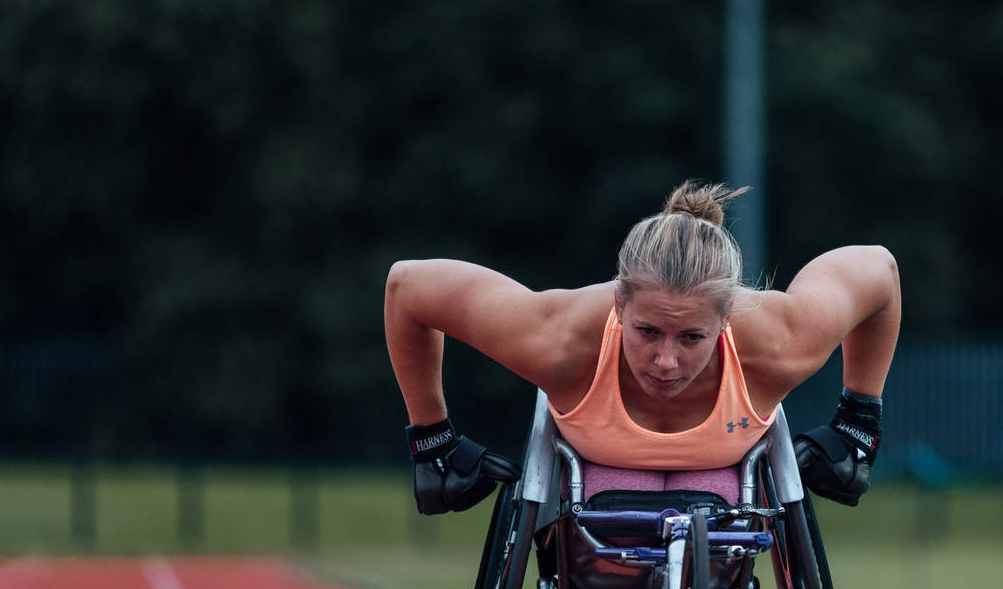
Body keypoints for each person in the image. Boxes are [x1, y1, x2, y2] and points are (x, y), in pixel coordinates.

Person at [384, 181, 900, 515]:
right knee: (614, 575)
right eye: (647, 331)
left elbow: (880, 269)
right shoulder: (558, 339)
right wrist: (434, 442)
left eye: (692, 338)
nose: (666, 361)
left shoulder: (781, 340)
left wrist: (859, 422)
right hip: (594, 493)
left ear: (726, 320)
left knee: (709, 548)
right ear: (618, 306)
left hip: (720, 497)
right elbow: (407, 287)